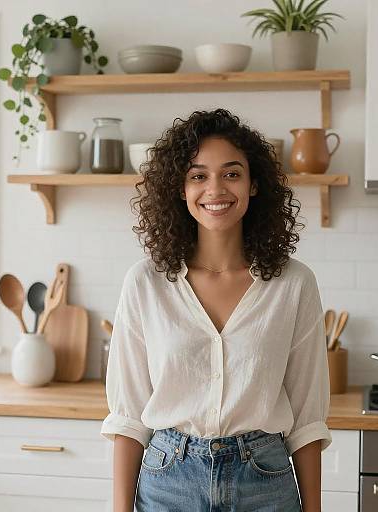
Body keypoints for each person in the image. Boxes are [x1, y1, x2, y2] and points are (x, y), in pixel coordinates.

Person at [101, 108, 331, 512]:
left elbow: (308, 420)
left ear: (254, 184)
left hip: (265, 482)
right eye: (198, 175)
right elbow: (129, 417)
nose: (215, 189)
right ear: (181, 188)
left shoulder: (294, 284)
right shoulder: (145, 283)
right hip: (168, 479)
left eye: (231, 173)